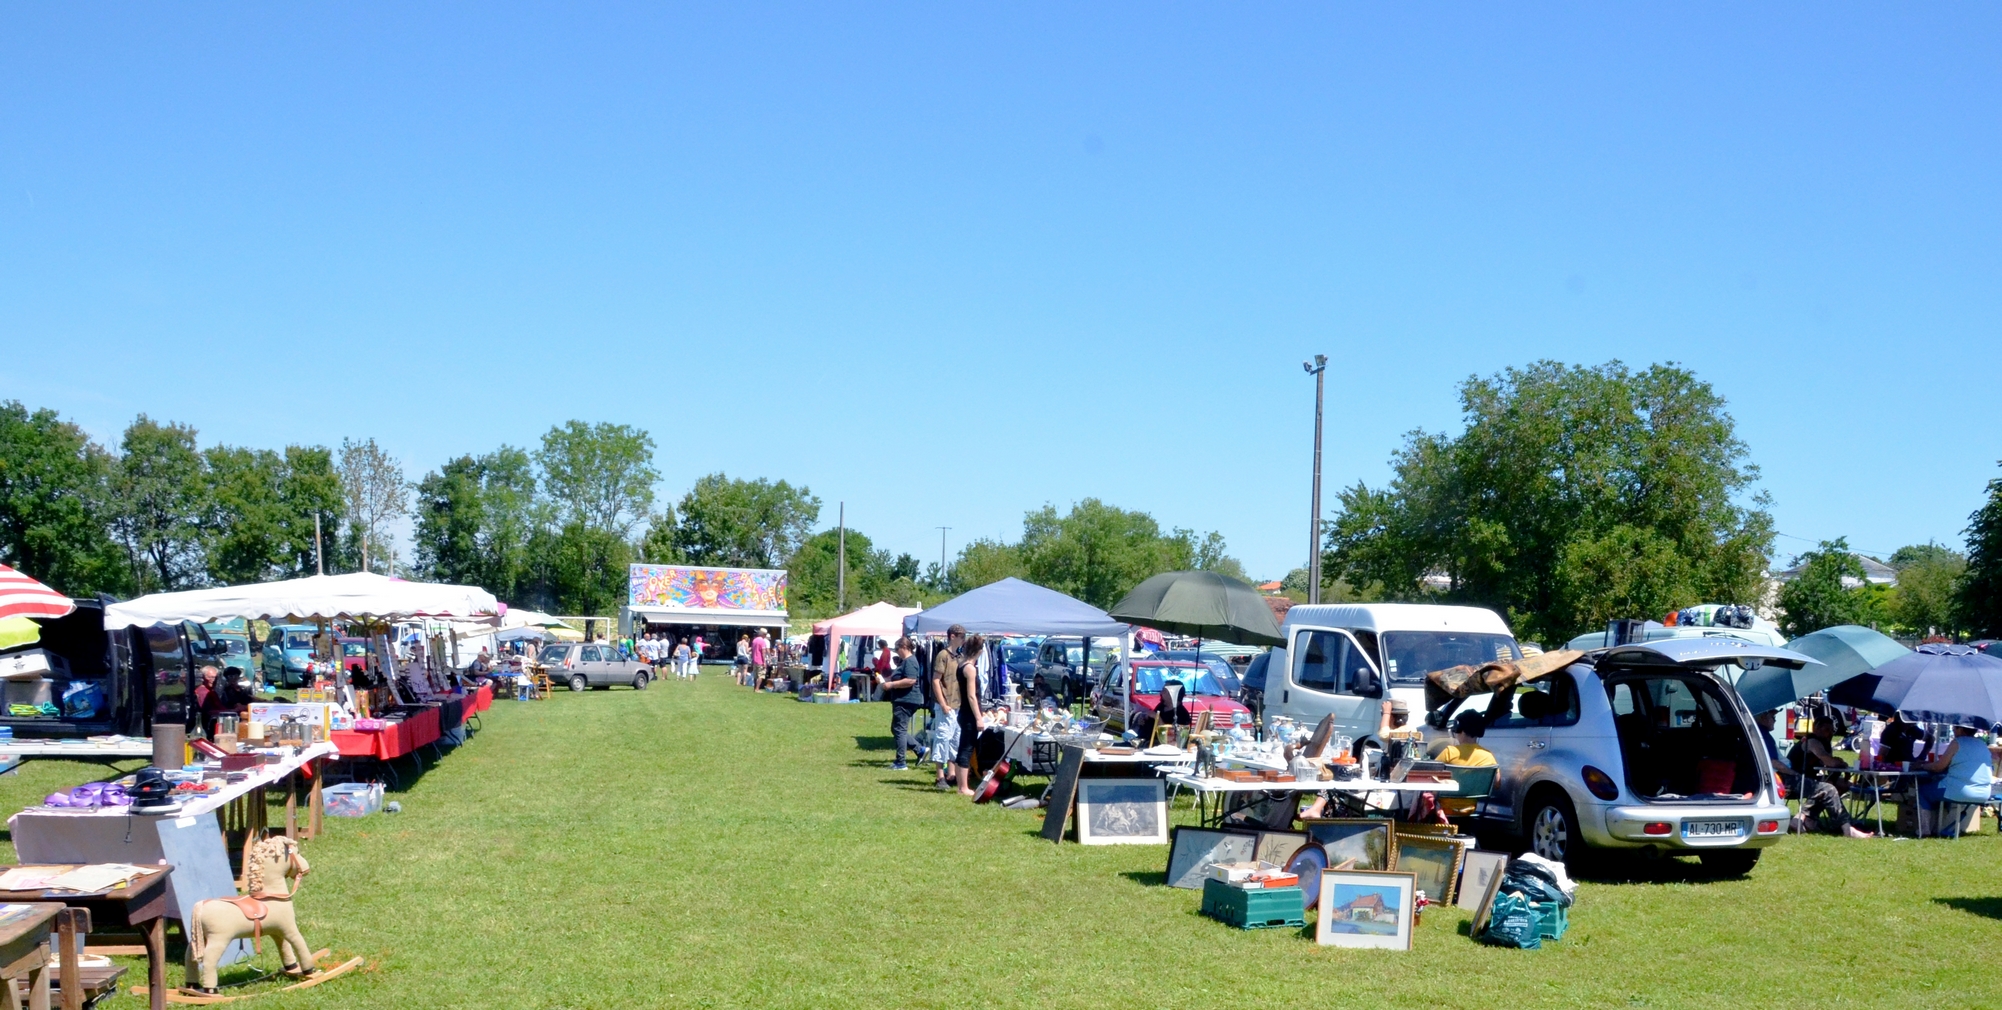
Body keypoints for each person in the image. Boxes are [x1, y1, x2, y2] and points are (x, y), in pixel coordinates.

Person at [1783, 716, 1871, 838]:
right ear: (1816, 728)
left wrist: (1838, 766)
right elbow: (1829, 761)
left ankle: (1811, 818)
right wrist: (1839, 762)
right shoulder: (1811, 741)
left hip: (1811, 780)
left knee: (1843, 785)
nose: (1829, 734)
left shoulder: (1825, 743)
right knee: (1828, 788)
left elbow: (1829, 766)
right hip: (1793, 780)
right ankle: (1843, 827)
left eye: (1831, 731)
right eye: (1826, 729)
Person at [1914, 725, 1995, 832]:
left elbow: (1938, 767)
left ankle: (1924, 830)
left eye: (1954, 729)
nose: (1953, 732)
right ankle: (1940, 825)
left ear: (1961, 729)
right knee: (1941, 788)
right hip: (1984, 792)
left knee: (1922, 791)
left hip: (1961, 790)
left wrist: (1922, 766)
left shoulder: (1957, 742)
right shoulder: (1982, 744)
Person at [1434, 711, 1497, 817]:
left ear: (1461, 730)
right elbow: (1496, 783)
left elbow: (1428, 776)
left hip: (1444, 810)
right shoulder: (1488, 756)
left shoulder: (1449, 752)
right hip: (1470, 810)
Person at [928, 625, 967, 789]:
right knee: (943, 738)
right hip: (946, 704)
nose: (963, 639)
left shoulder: (960, 656)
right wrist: (943, 703)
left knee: (955, 740)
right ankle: (939, 776)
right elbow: (936, 680)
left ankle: (951, 773)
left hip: (958, 704)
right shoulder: (942, 655)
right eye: (961, 636)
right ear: (952, 636)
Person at [881, 637, 926, 769]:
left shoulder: (910, 661)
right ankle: (920, 750)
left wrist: (892, 684)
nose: (896, 652)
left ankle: (901, 762)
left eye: (897, 649)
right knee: (896, 729)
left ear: (904, 647)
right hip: (903, 699)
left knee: (899, 730)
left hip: (906, 700)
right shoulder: (905, 661)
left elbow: (911, 680)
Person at [953, 634, 987, 797]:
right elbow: (972, 696)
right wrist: (979, 718)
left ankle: (962, 785)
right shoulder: (970, 669)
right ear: (979, 651)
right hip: (969, 714)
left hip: (963, 713)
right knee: (966, 749)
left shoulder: (961, 665)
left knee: (963, 748)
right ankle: (963, 787)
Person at [193, 665, 229, 737]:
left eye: (215, 677)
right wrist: (233, 711)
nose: (213, 680)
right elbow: (209, 712)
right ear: (203, 678)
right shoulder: (202, 692)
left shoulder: (212, 692)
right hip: (209, 726)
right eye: (210, 677)